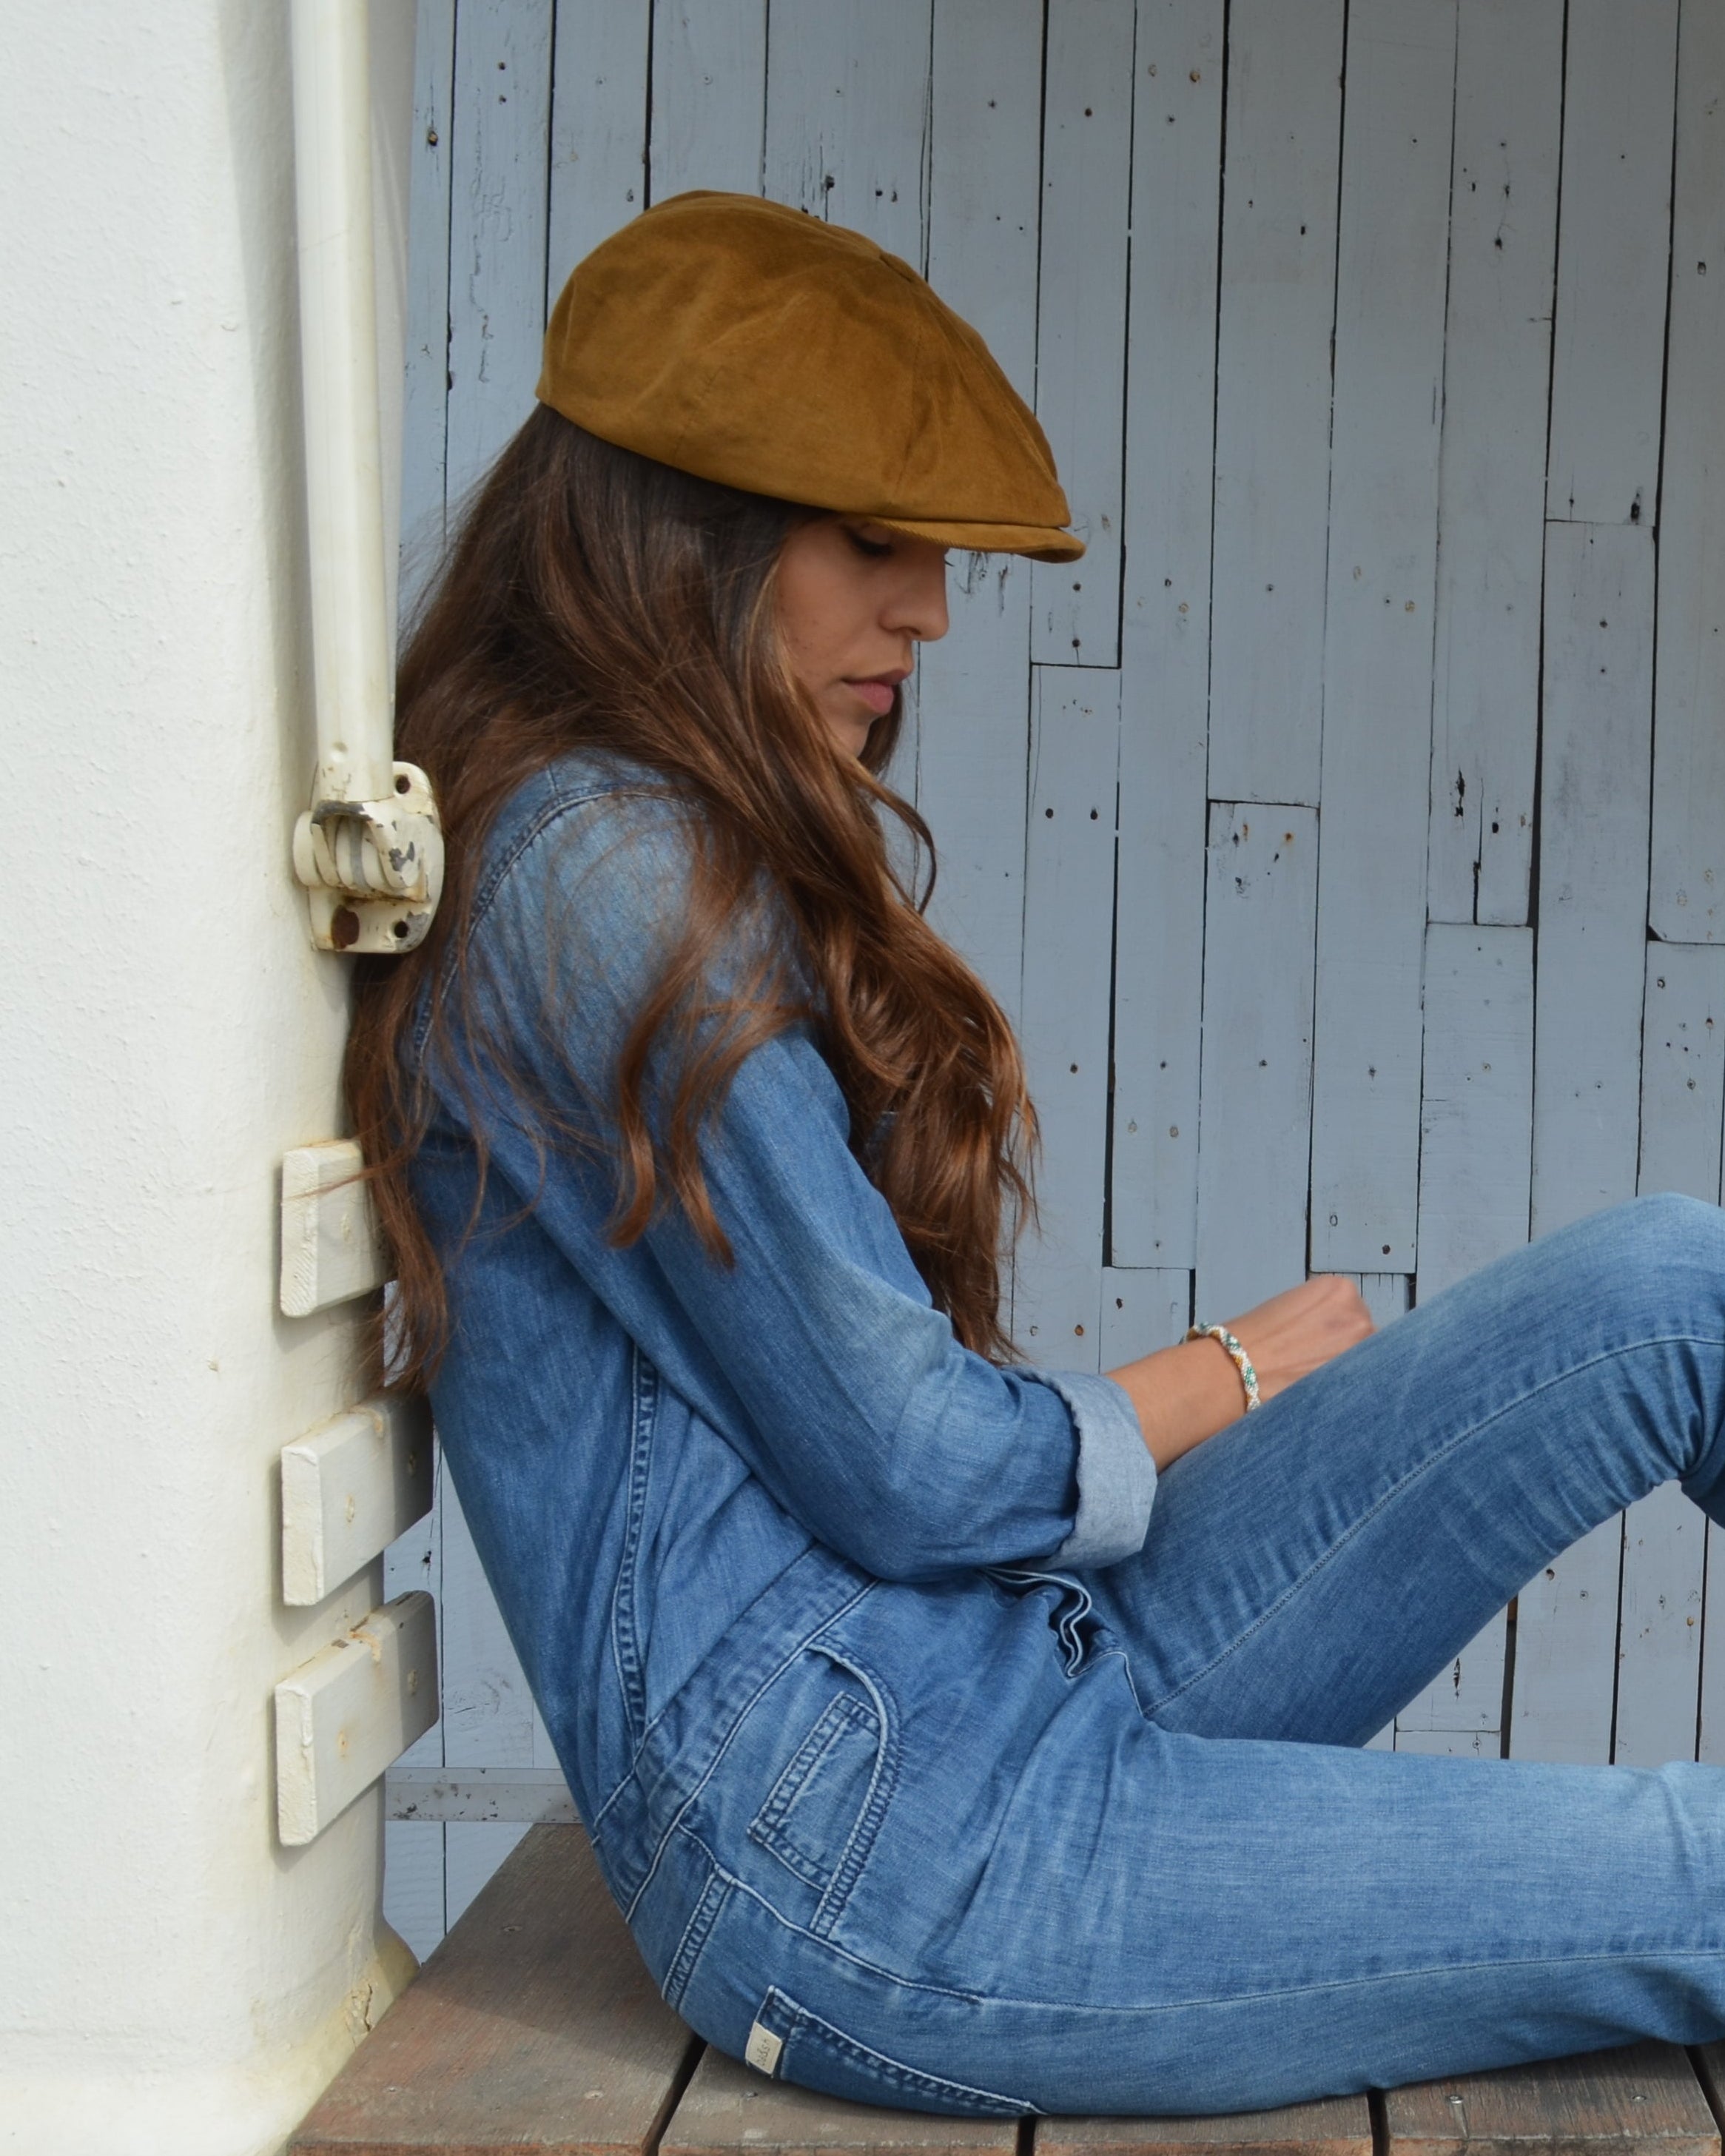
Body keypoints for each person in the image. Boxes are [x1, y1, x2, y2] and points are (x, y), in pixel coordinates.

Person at [346, 191, 1725, 2118]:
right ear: (680, 533)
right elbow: (908, 1462)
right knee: (1699, 1867)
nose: (925, 609)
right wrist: (1213, 1374)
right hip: (885, 1856)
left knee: (1672, 1287)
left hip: (993, 1668)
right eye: (871, 542)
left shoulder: (612, 830)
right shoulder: (610, 878)